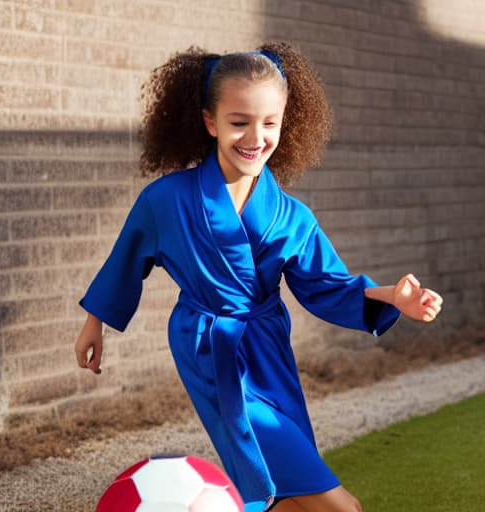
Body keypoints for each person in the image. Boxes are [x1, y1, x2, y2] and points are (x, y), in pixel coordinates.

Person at [75, 41, 443, 512]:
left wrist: (392, 297)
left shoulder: (292, 216)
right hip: (209, 344)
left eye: (270, 122)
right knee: (338, 505)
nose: (256, 137)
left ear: (286, 122)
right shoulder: (166, 200)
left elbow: (324, 285)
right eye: (239, 122)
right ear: (210, 122)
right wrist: (95, 323)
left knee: (284, 498)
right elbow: (127, 259)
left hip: (269, 345)